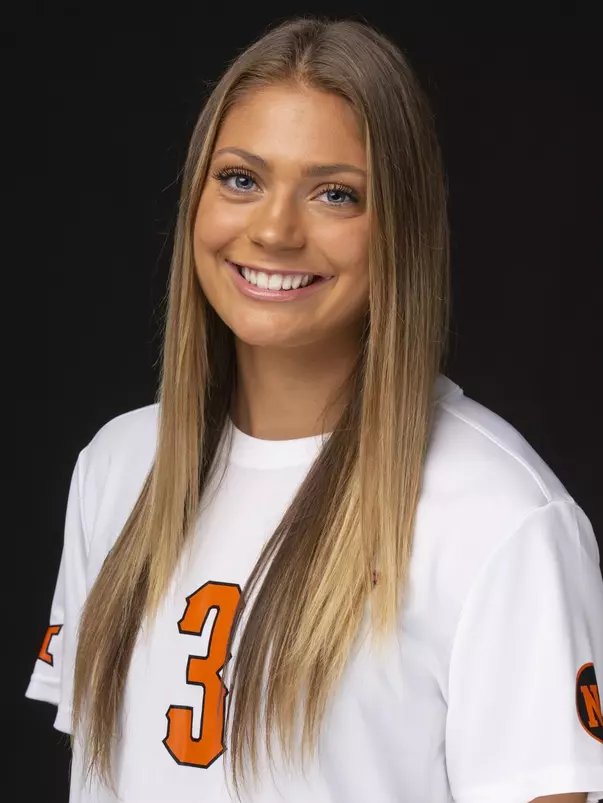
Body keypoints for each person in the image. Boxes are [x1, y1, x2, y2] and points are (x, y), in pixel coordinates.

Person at [26, 16, 603, 803]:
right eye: (240, 178)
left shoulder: (501, 517)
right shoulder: (118, 466)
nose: (273, 229)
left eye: (336, 193)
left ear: (401, 226)